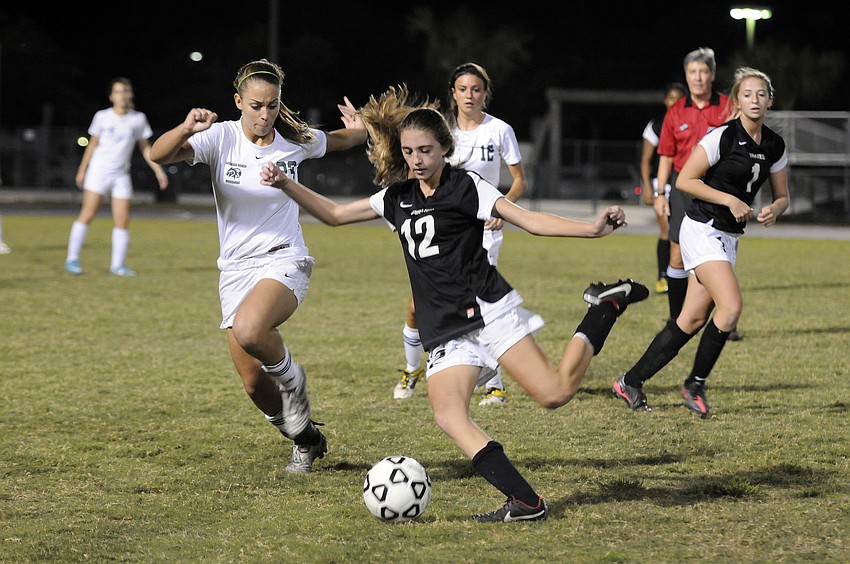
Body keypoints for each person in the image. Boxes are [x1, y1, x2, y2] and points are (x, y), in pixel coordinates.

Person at [261, 85, 649, 522]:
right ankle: (526, 502)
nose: (417, 159)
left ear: (446, 148)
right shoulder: (396, 199)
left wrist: (592, 229)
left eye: (426, 150)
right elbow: (333, 215)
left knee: (556, 393)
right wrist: (286, 182)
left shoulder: (466, 187)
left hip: (487, 312)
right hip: (445, 328)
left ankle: (603, 308)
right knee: (448, 415)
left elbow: (530, 220)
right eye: (409, 151)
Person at [149, 59, 367, 473]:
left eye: (272, 105)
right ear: (238, 102)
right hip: (234, 270)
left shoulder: (292, 140)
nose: (265, 115)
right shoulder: (220, 137)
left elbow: (340, 140)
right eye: (256, 106)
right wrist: (185, 128)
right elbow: (158, 154)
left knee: (252, 330)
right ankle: (306, 440)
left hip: (284, 258)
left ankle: (292, 380)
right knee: (252, 383)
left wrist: (358, 128)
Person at [613, 67, 789, 416]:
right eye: (747, 94)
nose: (754, 100)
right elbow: (686, 181)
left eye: (761, 94)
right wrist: (730, 200)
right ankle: (694, 384)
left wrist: (774, 209)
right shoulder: (722, 136)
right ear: (736, 100)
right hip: (702, 226)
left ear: (770, 100)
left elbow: (783, 195)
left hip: (728, 235)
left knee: (691, 320)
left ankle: (629, 381)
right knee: (732, 307)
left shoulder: (774, 144)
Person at [391, 62, 541, 406]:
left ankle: (494, 384)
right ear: (453, 94)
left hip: (482, 229)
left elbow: (519, 180)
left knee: (484, 304)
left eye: (476, 89)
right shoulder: (441, 134)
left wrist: (502, 207)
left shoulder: (500, 130)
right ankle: (412, 370)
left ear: (485, 94)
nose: (469, 95)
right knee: (417, 307)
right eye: (463, 89)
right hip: (438, 230)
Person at [652, 48, 740, 340]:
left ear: (712, 75)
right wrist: (659, 193)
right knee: (676, 255)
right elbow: (665, 155)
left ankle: (726, 319)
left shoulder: (729, 107)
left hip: (718, 188)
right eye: (693, 72)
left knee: (719, 257)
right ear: (686, 76)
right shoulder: (675, 112)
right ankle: (677, 318)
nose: (698, 77)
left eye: (703, 72)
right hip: (683, 188)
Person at [65, 77, 169, 276]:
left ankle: (117, 265)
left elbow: (145, 147)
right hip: (98, 172)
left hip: (121, 174)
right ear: (111, 96)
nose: (123, 95)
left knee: (122, 219)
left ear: (130, 95)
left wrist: (158, 170)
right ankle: (72, 258)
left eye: (126, 91)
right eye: (119, 92)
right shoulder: (102, 117)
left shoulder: (138, 119)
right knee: (87, 214)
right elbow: (92, 144)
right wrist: (82, 170)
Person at [639, 82, 686, 294]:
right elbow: (646, 160)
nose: (674, 102)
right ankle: (663, 277)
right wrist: (648, 187)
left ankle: (685, 275)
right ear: (665, 100)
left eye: (679, 98)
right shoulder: (657, 125)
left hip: (686, 183)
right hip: (663, 184)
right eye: (671, 98)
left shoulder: (691, 123)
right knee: (667, 230)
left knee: (686, 232)